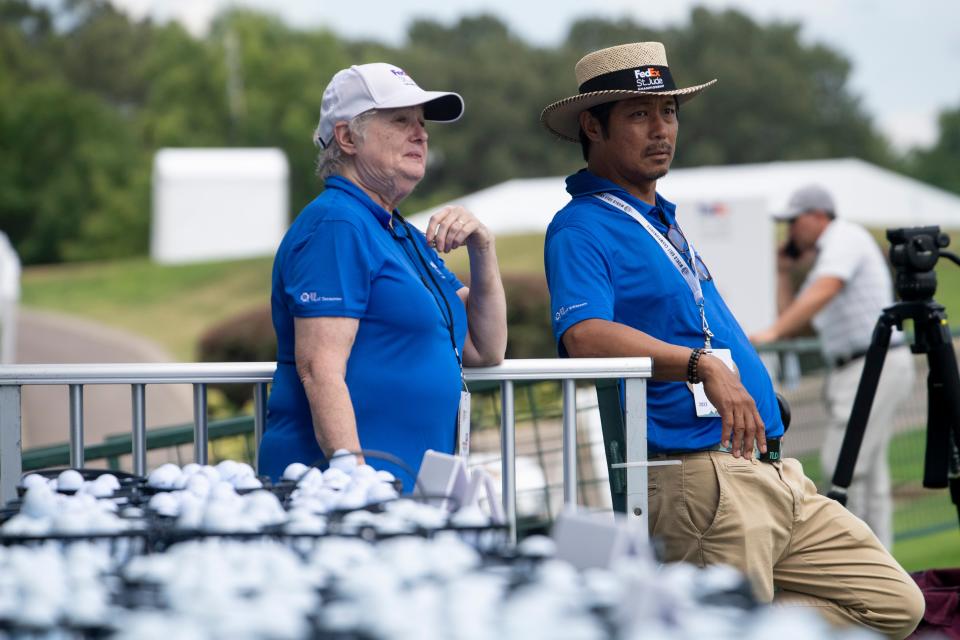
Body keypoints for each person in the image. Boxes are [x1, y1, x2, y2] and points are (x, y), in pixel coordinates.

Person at [540, 42, 923, 637]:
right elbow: (584, 335)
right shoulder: (581, 225)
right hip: (699, 476)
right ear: (593, 125)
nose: (662, 129)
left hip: (767, 470)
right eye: (640, 114)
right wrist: (701, 366)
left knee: (895, 605)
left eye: (668, 112)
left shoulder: (658, 216)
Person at [259, 63, 507, 487]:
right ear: (346, 137)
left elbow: (485, 348)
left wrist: (483, 248)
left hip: (403, 495)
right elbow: (320, 369)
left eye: (422, 123)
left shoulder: (396, 230)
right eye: (400, 120)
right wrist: (355, 489)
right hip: (348, 499)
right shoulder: (337, 224)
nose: (421, 134)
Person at [750, 185, 915, 549]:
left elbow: (825, 290)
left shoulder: (844, 238)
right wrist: (782, 273)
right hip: (862, 368)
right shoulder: (828, 254)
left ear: (817, 216)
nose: (789, 231)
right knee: (870, 481)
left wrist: (773, 332)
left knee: (842, 468)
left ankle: (854, 569)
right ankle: (887, 573)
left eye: (793, 222)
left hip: (873, 366)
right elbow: (795, 321)